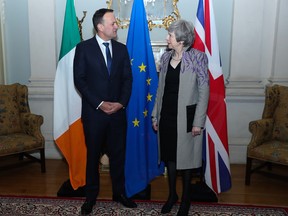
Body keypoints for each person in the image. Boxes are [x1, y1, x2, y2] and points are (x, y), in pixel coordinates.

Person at [73, 8, 137, 215]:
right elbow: (79, 80)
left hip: (118, 114)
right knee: (93, 158)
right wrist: (100, 103)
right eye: (113, 23)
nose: (116, 26)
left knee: (118, 156)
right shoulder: (83, 48)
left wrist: (121, 103)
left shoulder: (121, 49)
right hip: (94, 115)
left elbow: (128, 79)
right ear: (100, 27)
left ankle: (120, 193)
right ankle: (90, 198)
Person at [152, 19, 209, 216]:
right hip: (166, 116)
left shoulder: (198, 58)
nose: (167, 38)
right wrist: (155, 115)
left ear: (181, 39)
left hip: (187, 118)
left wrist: (198, 122)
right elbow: (160, 89)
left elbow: (204, 92)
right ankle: (172, 196)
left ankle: (186, 199)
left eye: (170, 35)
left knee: (186, 160)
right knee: (170, 157)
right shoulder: (166, 58)